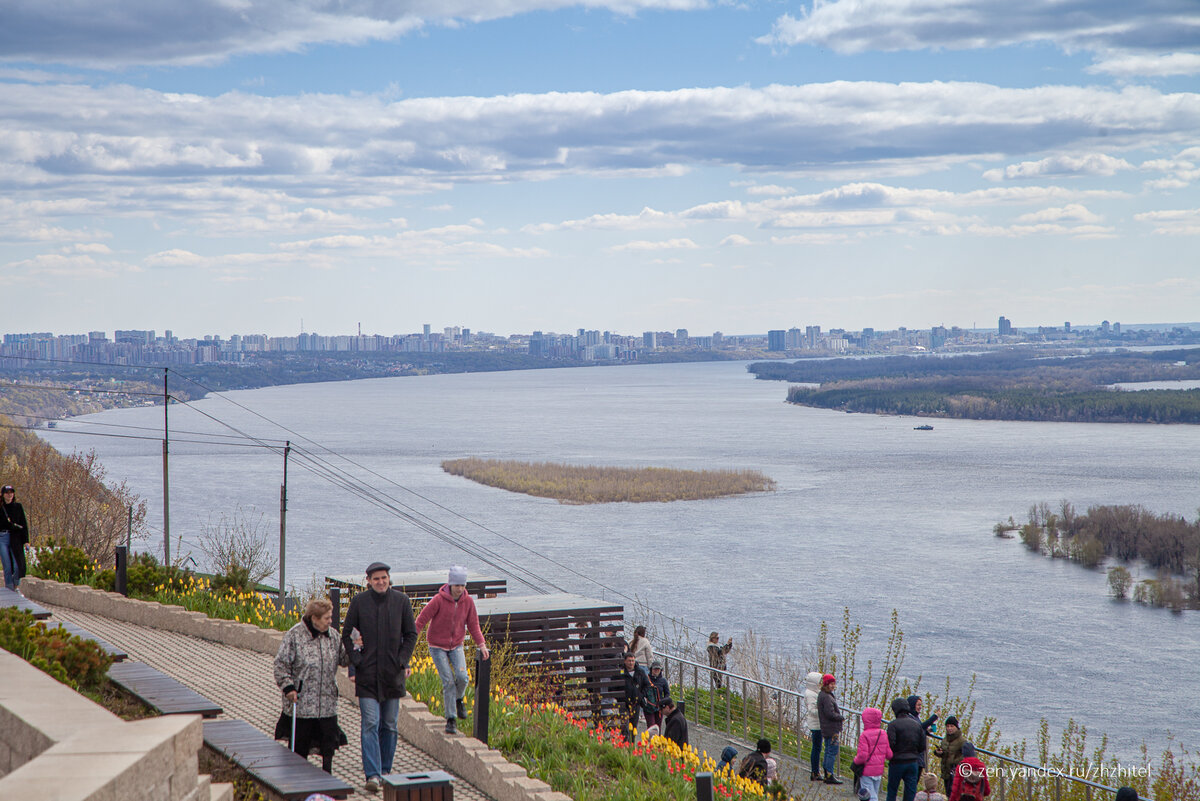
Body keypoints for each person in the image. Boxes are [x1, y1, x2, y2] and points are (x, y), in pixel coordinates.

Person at [341, 562, 418, 795]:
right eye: (376, 579)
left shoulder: (401, 601)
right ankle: (372, 774)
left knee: (390, 725)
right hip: (367, 675)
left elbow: (411, 634)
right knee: (371, 724)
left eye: (384, 578)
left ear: (389, 579)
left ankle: (385, 771)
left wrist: (402, 660)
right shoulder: (359, 602)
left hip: (392, 675)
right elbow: (347, 633)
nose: (381, 582)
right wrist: (356, 660)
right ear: (369, 581)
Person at [273, 598, 349, 773]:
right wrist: (288, 687)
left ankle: (327, 781)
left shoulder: (334, 636)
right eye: (326, 618)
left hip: (327, 703)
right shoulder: (295, 636)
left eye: (331, 617)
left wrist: (357, 648)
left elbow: (344, 659)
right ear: (314, 618)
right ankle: (298, 781)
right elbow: (281, 664)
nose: (330, 621)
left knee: (328, 746)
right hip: (302, 703)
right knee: (300, 747)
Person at [414, 565, 490, 735]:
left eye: (463, 585)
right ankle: (451, 719)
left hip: (456, 645)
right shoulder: (438, 600)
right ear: (450, 584)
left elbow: (473, 625)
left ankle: (459, 699)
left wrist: (482, 645)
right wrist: (411, 638)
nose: (460, 589)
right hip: (437, 646)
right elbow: (422, 619)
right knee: (448, 681)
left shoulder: (468, 602)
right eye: (457, 585)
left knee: (463, 677)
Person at [887, 697, 927, 801]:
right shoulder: (917, 725)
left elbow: (891, 744)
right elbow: (922, 746)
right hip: (913, 762)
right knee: (910, 793)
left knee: (892, 791)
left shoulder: (893, 725)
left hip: (897, 762)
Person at [853, 706, 893, 801]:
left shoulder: (864, 735)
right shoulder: (883, 733)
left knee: (869, 797)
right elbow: (889, 754)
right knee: (874, 793)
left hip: (867, 771)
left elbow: (862, 756)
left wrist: (855, 760)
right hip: (878, 771)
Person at [0, 485, 29, 591]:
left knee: (17, 565)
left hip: (15, 538)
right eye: (7, 493)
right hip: (2, 538)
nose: (9, 495)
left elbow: (23, 524)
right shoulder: (1, 508)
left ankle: (16, 584)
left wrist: (26, 541)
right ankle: (9, 588)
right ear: (3, 495)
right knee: (7, 565)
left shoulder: (18, 507)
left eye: (11, 492)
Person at [818, 673, 845, 784]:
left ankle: (827, 773)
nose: (833, 686)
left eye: (834, 684)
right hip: (832, 728)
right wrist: (840, 717)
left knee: (828, 750)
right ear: (826, 684)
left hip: (826, 727)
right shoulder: (827, 697)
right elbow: (830, 713)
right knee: (832, 751)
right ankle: (829, 774)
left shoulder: (822, 695)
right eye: (831, 684)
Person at [617, 652, 649, 733]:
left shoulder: (640, 672)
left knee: (634, 726)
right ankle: (624, 743)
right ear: (625, 661)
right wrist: (619, 698)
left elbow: (647, 685)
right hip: (624, 703)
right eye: (629, 661)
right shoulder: (620, 672)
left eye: (632, 661)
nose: (631, 663)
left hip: (636, 703)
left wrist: (641, 696)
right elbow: (614, 687)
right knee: (624, 726)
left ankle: (632, 743)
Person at [933, 716, 965, 794]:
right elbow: (944, 752)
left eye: (952, 726)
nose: (949, 728)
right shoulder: (945, 739)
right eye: (947, 726)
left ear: (956, 727)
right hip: (946, 772)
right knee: (948, 793)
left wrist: (955, 762)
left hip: (956, 773)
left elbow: (966, 757)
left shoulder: (962, 741)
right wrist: (938, 752)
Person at [907, 695, 938, 770]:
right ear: (912, 705)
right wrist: (934, 717)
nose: (920, 707)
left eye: (921, 705)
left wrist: (927, 731)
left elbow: (920, 729)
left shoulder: (915, 717)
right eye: (918, 705)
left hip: (918, 757)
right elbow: (918, 727)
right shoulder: (909, 718)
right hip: (914, 757)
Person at [803, 671, 824, 781]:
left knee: (817, 747)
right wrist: (823, 711)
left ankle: (815, 771)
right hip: (816, 724)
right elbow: (812, 710)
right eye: (819, 682)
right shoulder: (811, 694)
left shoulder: (813, 692)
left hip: (817, 723)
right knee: (816, 748)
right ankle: (815, 771)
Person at [642, 661, 669, 729]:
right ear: (651, 669)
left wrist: (663, 702)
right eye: (655, 669)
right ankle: (650, 739)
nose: (656, 671)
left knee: (658, 727)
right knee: (651, 727)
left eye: (658, 669)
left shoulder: (663, 681)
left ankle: (657, 739)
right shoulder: (646, 679)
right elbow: (642, 691)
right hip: (648, 707)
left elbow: (667, 693)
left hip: (659, 708)